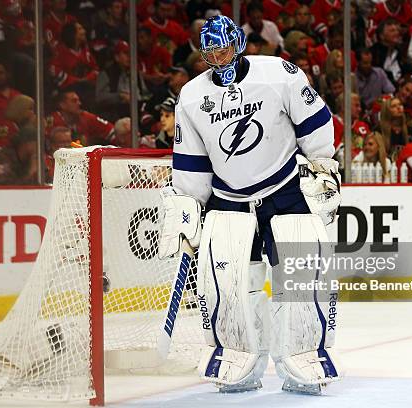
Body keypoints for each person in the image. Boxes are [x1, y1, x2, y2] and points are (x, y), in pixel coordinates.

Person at [158, 15, 341, 395]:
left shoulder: (278, 73)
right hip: (229, 199)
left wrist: (322, 162)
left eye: (223, 48)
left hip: (285, 189)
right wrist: (189, 202)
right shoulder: (191, 96)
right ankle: (240, 356)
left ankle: (302, 356)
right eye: (210, 51)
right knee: (228, 284)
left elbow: (315, 123)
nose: (218, 57)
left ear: (239, 43)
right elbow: (191, 159)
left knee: (301, 277)